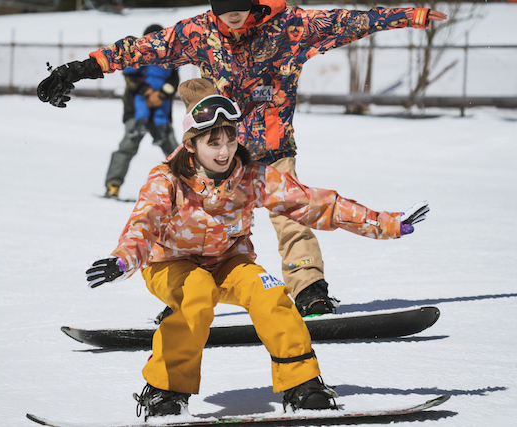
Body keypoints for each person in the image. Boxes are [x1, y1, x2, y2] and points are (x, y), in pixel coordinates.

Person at [38, 0, 447, 316]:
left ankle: (309, 290)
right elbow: (142, 49)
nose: (231, 21)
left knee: (292, 215)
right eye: (223, 13)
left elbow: (351, 22)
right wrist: (76, 69)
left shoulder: (293, 27)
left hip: (270, 145)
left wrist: (413, 16)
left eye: (238, 11)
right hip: (213, 144)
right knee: (187, 216)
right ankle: (184, 291)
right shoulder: (198, 32)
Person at [84, 78, 429, 420]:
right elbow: (144, 223)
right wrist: (122, 260)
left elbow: (317, 204)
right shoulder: (167, 180)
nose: (224, 151)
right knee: (197, 294)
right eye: (213, 142)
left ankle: (302, 385)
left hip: (230, 263)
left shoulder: (251, 176)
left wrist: (387, 223)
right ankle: (164, 391)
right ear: (191, 144)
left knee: (271, 294)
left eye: (230, 139)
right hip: (170, 265)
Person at [104, 25, 180, 198]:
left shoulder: (171, 59)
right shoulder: (137, 55)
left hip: (161, 110)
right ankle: (113, 185)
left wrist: (160, 95)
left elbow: (174, 81)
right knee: (128, 146)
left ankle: (190, 188)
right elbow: (130, 77)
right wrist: (147, 93)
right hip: (137, 109)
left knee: (173, 151)